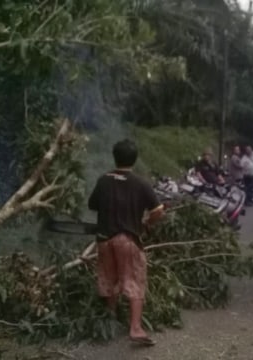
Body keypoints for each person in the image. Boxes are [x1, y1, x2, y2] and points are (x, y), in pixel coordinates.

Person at [88, 139, 164, 346]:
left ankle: (111, 317)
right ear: (135, 158)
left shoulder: (103, 180)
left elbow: (92, 205)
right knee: (135, 280)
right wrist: (147, 223)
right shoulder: (140, 183)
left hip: (104, 239)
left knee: (109, 278)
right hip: (128, 240)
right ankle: (136, 327)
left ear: (115, 157)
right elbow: (158, 210)